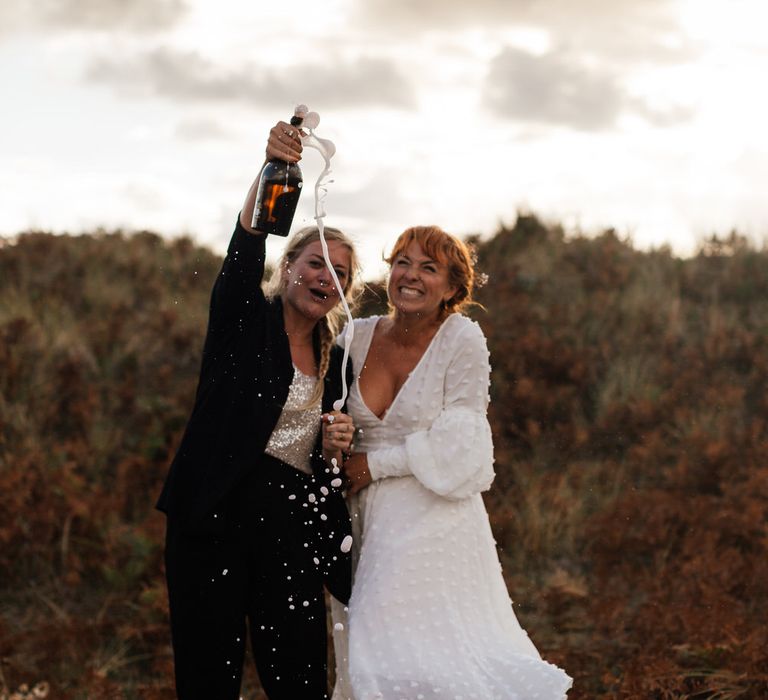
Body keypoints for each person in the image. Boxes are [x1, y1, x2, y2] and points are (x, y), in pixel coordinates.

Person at [156, 121, 362, 700]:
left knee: (299, 677)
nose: (326, 277)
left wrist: (335, 442)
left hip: (290, 532)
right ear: (289, 265)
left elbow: (333, 464)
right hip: (212, 519)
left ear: (348, 290)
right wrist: (273, 166)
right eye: (316, 263)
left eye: (340, 273)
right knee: (208, 676)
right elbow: (247, 241)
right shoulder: (243, 319)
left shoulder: (340, 360)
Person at [331, 225, 573, 699]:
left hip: (434, 512)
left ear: (453, 287)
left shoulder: (461, 338)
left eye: (429, 267)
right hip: (363, 516)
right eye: (402, 262)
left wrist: (374, 466)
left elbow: (462, 446)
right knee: (365, 647)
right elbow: (327, 412)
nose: (411, 276)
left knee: (402, 654)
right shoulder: (354, 337)